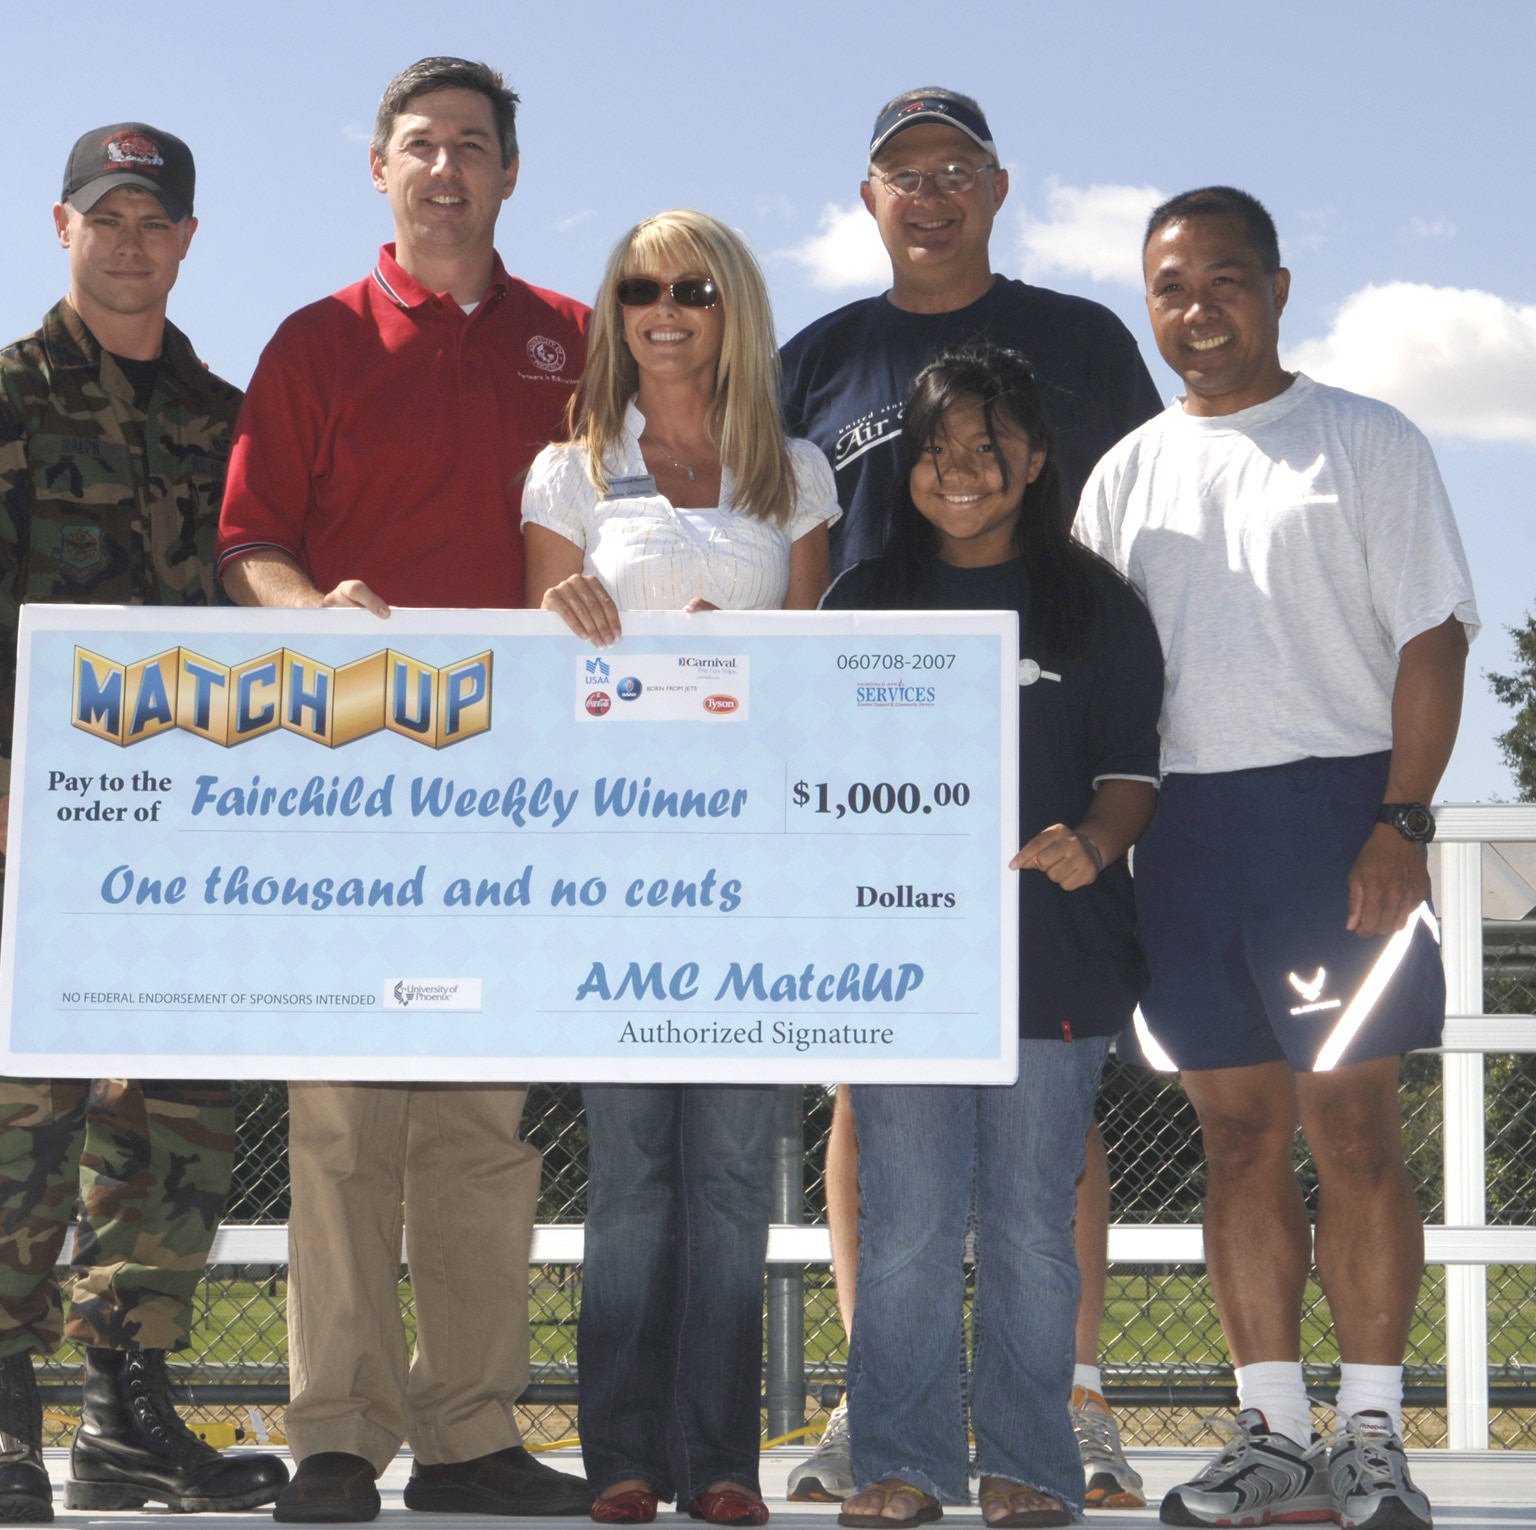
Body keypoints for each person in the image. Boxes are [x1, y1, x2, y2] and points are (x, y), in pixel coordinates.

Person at [216, 56, 592, 1523]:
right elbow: (251, 546)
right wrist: (314, 612)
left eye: (474, 148)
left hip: (519, 799)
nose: (446, 169)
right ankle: (333, 1435)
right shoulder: (314, 341)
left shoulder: (577, 339)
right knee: (340, 1127)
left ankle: (469, 1432)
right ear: (378, 167)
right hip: (351, 787)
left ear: (510, 175)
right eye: (421, 146)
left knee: (481, 1132)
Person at [777, 86, 1162, 1511]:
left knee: (1041, 1176)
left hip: (1047, 820)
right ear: (868, 198)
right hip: (886, 845)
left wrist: (1109, 819)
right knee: (884, 1150)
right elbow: (777, 575)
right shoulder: (813, 361)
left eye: (955, 170)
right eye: (901, 173)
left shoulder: (1083, 345)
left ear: (997, 187)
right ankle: (884, 1431)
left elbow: (1143, 552)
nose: (928, 193)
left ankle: (1059, 1420)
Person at [1078, 187, 1476, 1530]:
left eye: (1225, 280)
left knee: (1352, 1125)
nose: (1200, 310)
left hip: (1336, 823)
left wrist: (1402, 818)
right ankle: (1277, 1432)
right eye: (1172, 288)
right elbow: (1085, 682)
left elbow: (1434, 637)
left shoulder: (1365, 440)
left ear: (1280, 286)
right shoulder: (1123, 474)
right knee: (1236, 1131)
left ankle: (1372, 1431)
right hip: (1182, 833)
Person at [0, 123, 288, 1522]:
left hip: (187, 834)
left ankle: (128, 1412)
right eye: (107, 216)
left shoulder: (227, 409)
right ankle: (0, 1424)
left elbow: (258, 609)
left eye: (155, 220)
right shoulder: (1, 397)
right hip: (23, 827)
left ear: (187, 240)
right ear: (62, 227)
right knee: (17, 1118)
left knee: (172, 1119)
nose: (131, 241)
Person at [523, 209, 838, 1528]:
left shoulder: (802, 473)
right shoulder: (568, 471)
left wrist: (746, 652)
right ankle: (621, 1457)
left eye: (693, 287)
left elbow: (817, 668)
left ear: (733, 309)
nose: (665, 307)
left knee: (728, 1175)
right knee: (635, 1174)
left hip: (756, 869)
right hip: (615, 864)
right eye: (639, 287)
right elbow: (544, 656)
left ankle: (721, 1456)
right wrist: (558, 614)